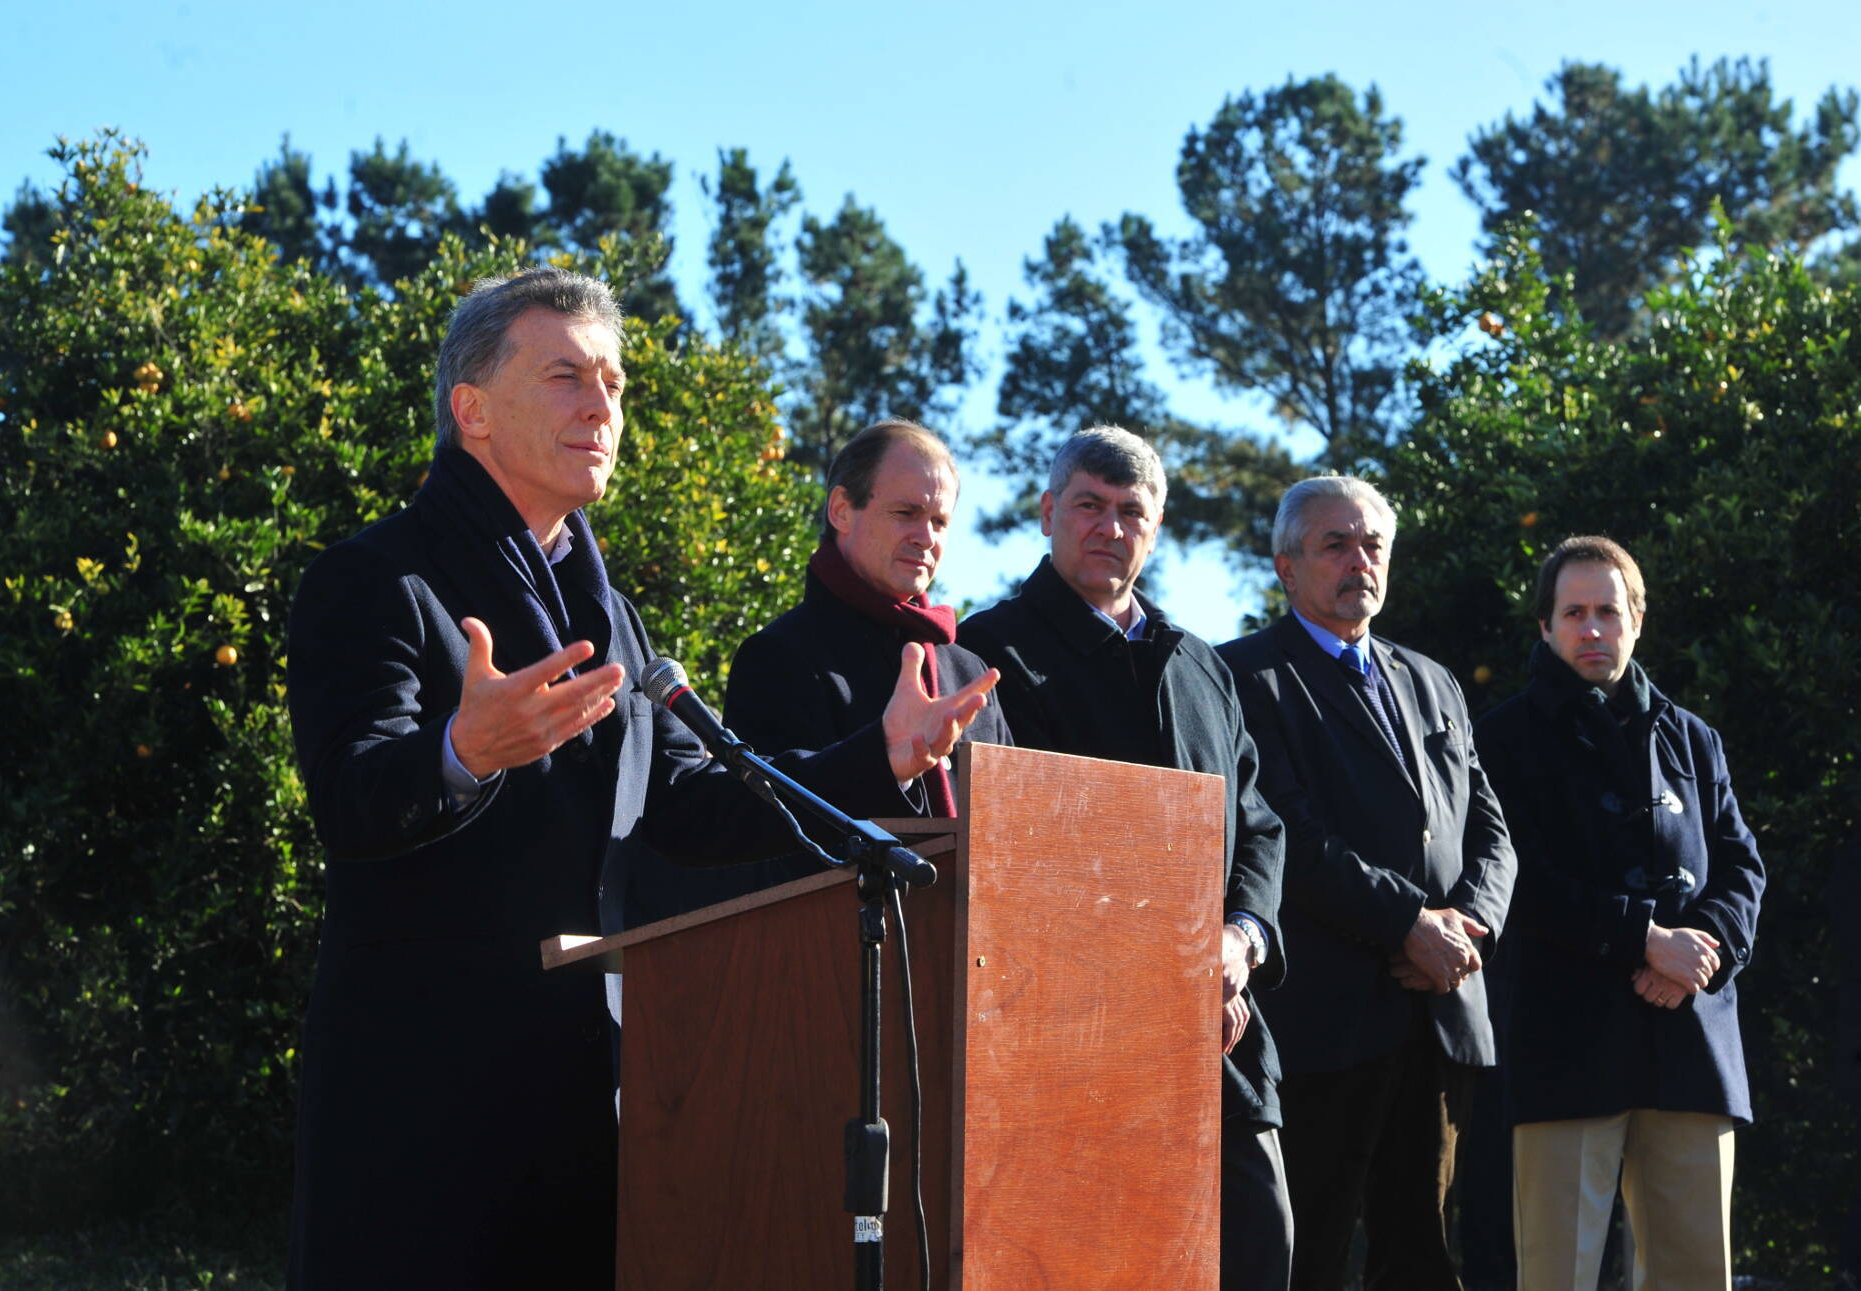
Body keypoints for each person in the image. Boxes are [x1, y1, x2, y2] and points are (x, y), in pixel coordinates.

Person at [282, 269, 995, 1288]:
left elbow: (692, 798)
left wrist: (875, 760)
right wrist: (461, 750)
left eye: (613, 383)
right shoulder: (376, 579)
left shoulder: (604, 607)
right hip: (423, 1087)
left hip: (579, 1079)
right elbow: (352, 802)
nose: (601, 406)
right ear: (471, 411)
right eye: (566, 376)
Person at [958, 427, 1293, 1290]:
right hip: (1070, 1041)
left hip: (1219, 1030)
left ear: (1157, 527)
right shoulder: (987, 652)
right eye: (1090, 507)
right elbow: (1012, 845)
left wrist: (1240, 939)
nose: (1110, 528)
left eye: (1132, 512)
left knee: (1261, 1242)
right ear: (1047, 513)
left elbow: (1255, 823)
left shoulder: (1200, 663)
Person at [1214, 475, 1517, 1291]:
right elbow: (1287, 835)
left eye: (1372, 543)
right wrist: (1408, 923)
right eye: (1334, 544)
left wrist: (1464, 931)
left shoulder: (1434, 679)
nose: (1359, 560)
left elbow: (1491, 834)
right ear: (1286, 565)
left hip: (1442, 1011)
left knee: (1422, 1258)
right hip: (1328, 1020)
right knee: (1305, 1254)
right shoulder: (1244, 677)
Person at [1475, 536, 1764, 1290]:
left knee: (1697, 1275)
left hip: (1691, 1041)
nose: (1592, 628)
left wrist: (1699, 950)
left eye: (1609, 609)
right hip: (1565, 1046)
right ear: (1545, 627)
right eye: (1574, 612)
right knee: (1558, 1275)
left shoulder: (1695, 738)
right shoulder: (1501, 738)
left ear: (1637, 618)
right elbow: (1517, 880)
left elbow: (1741, 866)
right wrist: (1644, 939)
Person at [724, 419, 1010, 824]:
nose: (926, 537)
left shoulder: (968, 672)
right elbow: (761, 829)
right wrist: (887, 763)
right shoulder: (777, 656)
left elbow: (1012, 828)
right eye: (906, 512)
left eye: (939, 521)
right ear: (841, 510)